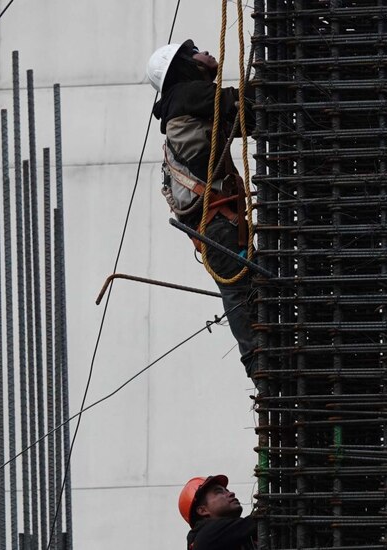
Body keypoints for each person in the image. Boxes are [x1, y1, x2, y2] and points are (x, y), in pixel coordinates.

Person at [146, 40, 261, 388]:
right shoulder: (184, 95)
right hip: (218, 226)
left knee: (246, 290)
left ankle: (263, 362)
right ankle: (259, 365)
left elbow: (246, 119)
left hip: (216, 227)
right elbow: (236, 103)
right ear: (183, 64)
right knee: (240, 292)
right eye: (195, 50)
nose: (205, 51)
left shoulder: (189, 109)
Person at [178, 475, 256, 550]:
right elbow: (259, 520)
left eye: (227, 491)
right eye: (219, 492)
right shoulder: (208, 535)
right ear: (203, 510)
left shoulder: (233, 537)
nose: (231, 493)